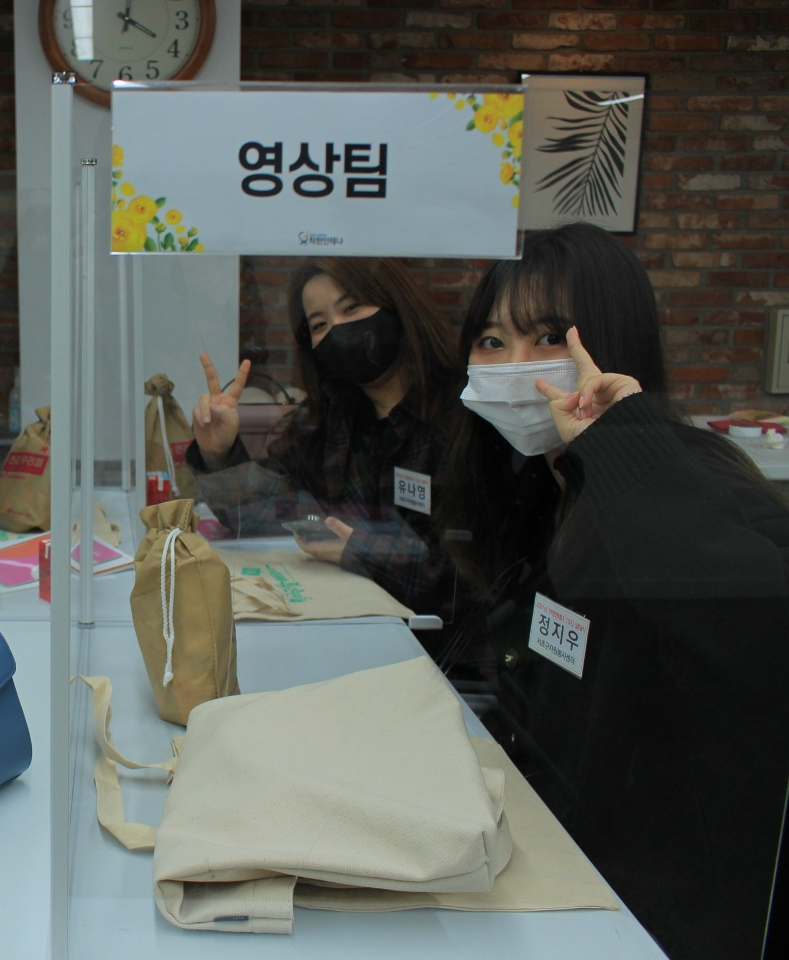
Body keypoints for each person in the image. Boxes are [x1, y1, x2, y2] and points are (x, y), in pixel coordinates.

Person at [441, 222, 789, 960]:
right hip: (553, 851)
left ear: (612, 342)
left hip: (650, 914)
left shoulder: (689, 486)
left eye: (547, 337)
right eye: (492, 341)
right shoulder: (545, 484)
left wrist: (625, 443)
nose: (516, 366)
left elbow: (760, 636)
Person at [186, 257, 462, 619]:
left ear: (397, 304)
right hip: (351, 623)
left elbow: (462, 578)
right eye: (319, 324)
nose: (338, 329)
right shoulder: (330, 419)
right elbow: (259, 510)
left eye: (351, 307)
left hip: (434, 643)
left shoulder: (461, 417)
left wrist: (362, 551)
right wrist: (219, 453)